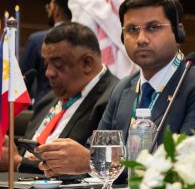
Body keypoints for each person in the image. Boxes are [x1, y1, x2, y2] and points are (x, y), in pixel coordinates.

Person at [36, 0, 195, 176]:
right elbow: (95, 149)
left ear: (178, 32)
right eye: (132, 29)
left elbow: (189, 167)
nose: (141, 39)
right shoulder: (122, 89)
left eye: (153, 27)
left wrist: (92, 161)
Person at [1, 23, 119, 173]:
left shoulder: (113, 99)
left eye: (58, 65)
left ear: (87, 63)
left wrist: (18, 163)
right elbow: (27, 153)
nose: (48, 73)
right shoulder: (49, 99)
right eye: (46, 63)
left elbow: (90, 167)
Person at [20, 0, 73, 103]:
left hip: (43, 107)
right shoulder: (84, 40)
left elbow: (22, 81)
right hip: (75, 106)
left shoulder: (37, 40)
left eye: (50, 6)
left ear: (56, 10)